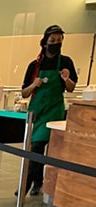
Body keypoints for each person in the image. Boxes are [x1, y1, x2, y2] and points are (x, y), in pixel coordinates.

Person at [21, 24, 77, 196]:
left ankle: (41, 183)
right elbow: (24, 92)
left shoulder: (66, 62)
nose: (56, 43)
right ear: (45, 42)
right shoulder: (35, 65)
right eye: (52, 40)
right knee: (35, 146)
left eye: (59, 41)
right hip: (38, 111)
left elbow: (71, 88)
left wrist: (66, 79)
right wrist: (34, 84)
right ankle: (33, 181)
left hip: (55, 110)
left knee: (49, 148)